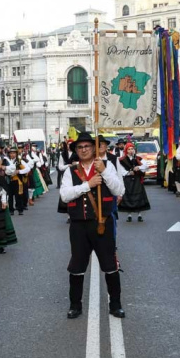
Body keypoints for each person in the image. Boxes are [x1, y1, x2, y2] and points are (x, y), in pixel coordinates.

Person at [60, 132, 126, 319]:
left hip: (102, 223)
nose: (83, 150)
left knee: (110, 264)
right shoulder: (70, 171)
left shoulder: (107, 166)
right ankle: (75, 305)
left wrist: (104, 171)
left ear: (94, 148)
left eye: (87, 146)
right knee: (77, 265)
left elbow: (119, 190)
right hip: (79, 226)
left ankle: (115, 304)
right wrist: (87, 185)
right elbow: (65, 196)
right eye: (80, 147)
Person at [118, 143, 150, 222]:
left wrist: (138, 167)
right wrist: (128, 172)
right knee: (128, 196)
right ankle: (129, 215)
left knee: (138, 197)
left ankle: (139, 215)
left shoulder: (138, 158)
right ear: (126, 150)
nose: (131, 150)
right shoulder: (122, 160)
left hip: (137, 180)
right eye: (129, 149)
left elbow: (146, 166)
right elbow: (120, 170)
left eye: (132, 149)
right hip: (128, 180)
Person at [7, 147, 31, 215]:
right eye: (11, 153)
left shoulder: (20, 161)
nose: (12, 155)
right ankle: (11, 210)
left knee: (19, 196)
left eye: (14, 153)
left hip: (17, 181)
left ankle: (20, 209)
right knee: (10, 196)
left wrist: (19, 171)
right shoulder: (6, 161)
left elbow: (28, 169)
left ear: (16, 154)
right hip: (9, 181)